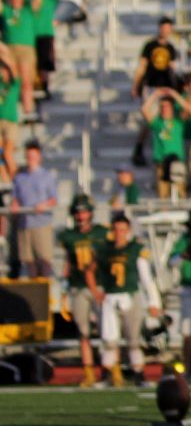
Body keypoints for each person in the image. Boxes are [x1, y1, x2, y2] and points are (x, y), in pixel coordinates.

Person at [94, 212, 160, 388]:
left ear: (128, 230)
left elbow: (146, 278)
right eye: (116, 229)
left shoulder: (135, 249)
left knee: (134, 340)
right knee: (109, 340)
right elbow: (98, 274)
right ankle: (106, 376)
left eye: (122, 229)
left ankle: (139, 375)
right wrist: (98, 292)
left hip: (131, 295)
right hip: (110, 297)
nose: (119, 233)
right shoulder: (105, 249)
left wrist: (154, 302)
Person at [58, 195, 109, 386]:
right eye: (78, 212)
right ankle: (89, 373)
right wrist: (64, 287)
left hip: (100, 287)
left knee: (107, 331)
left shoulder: (102, 233)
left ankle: (108, 370)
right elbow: (67, 263)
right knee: (83, 332)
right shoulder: (69, 236)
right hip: (79, 286)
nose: (81, 216)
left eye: (84, 211)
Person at [11, 140, 57, 277]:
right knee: (28, 261)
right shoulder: (20, 177)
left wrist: (44, 205)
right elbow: (16, 198)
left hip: (41, 223)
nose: (30, 160)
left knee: (44, 260)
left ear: (39, 157)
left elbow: (54, 199)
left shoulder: (46, 176)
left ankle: (45, 291)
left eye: (33, 156)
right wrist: (15, 205)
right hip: (24, 224)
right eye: (28, 157)